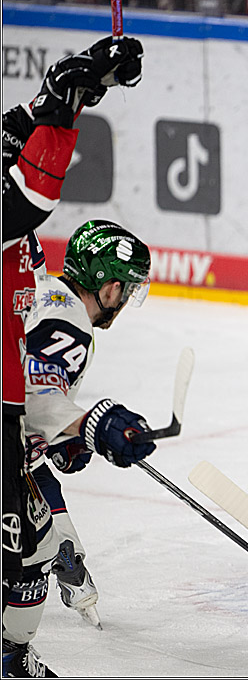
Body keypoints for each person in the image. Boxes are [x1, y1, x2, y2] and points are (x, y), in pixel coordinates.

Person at [2, 35, 146, 677]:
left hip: (11, 416)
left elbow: (17, 134)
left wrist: (79, 89)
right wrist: (91, 420)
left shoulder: (37, 270)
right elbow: (33, 193)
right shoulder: (63, 312)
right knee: (26, 547)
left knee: (29, 537)